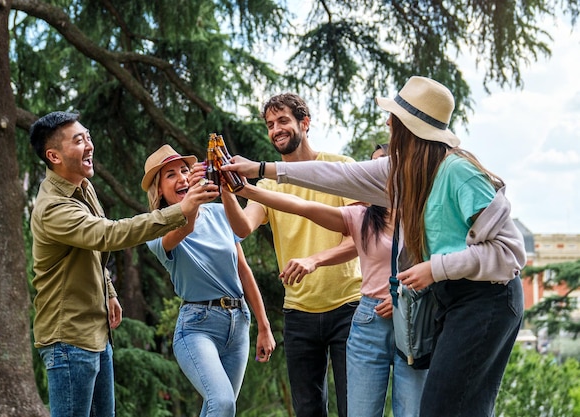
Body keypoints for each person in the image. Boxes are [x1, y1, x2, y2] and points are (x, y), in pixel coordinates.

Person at [222, 76, 526, 417]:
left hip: (490, 300)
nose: (386, 123)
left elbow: (511, 254)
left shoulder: (459, 173)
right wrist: (260, 170)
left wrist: (434, 268)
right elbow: (328, 175)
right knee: (451, 407)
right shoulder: (401, 173)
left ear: (409, 128)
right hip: (451, 298)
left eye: (393, 119)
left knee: (445, 407)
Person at [29, 111, 219, 417]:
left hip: (96, 331)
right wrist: (180, 210)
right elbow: (108, 234)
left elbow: (89, 247)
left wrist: (109, 291)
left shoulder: (82, 187)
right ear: (54, 155)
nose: (89, 145)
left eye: (88, 136)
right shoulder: (53, 207)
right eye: (79, 141)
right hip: (69, 339)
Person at [230, 151, 427, 416]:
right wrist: (244, 190)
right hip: (368, 322)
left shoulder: (423, 218)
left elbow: (440, 264)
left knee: (412, 411)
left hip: (408, 321)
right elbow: (300, 206)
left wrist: (406, 293)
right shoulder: (360, 217)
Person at [223, 93, 363, 417]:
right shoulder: (268, 187)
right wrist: (226, 191)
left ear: (305, 123)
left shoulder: (341, 169)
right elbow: (243, 227)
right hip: (299, 313)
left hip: (349, 307)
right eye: (270, 125)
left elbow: (361, 238)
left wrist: (315, 259)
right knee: (308, 412)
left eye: (283, 120)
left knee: (355, 408)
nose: (276, 129)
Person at [141, 144, 276, 416]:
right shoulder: (154, 227)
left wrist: (264, 325)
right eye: (170, 175)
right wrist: (193, 198)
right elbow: (186, 225)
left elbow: (243, 270)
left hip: (239, 323)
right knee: (222, 402)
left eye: (184, 170)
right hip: (196, 327)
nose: (181, 177)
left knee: (220, 408)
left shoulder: (218, 215)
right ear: (159, 189)